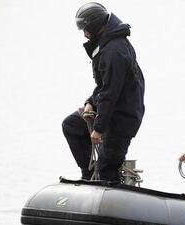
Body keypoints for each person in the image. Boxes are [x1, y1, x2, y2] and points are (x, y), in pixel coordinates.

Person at [62, 2, 145, 182]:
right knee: (72, 125)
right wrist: (90, 102)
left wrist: (98, 129)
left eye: (85, 29)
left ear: (94, 25)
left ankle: (106, 184)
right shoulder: (107, 44)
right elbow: (104, 87)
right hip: (108, 109)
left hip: (122, 118)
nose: (84, 34)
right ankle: (89, 174)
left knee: (107, 168)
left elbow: (110, 92)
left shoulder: (114, 51)